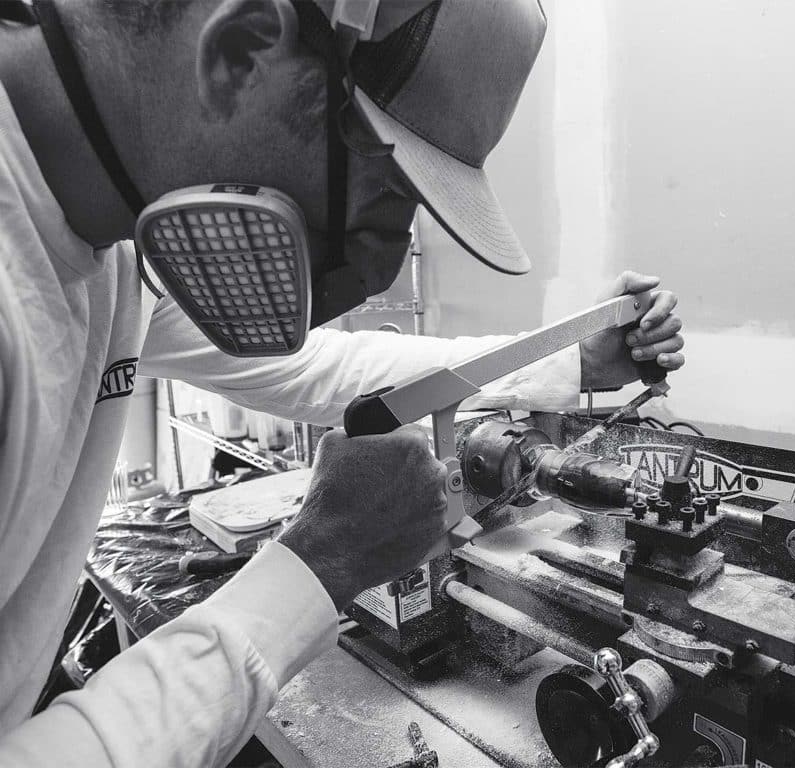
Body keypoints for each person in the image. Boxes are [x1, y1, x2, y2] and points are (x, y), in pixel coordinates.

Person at [0, 1, 685, 766]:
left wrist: (573, 364)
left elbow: (315, 367)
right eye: (386, 190)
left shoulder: (112, 250)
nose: (378, 266)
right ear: (240, 56)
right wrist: (316, 567)